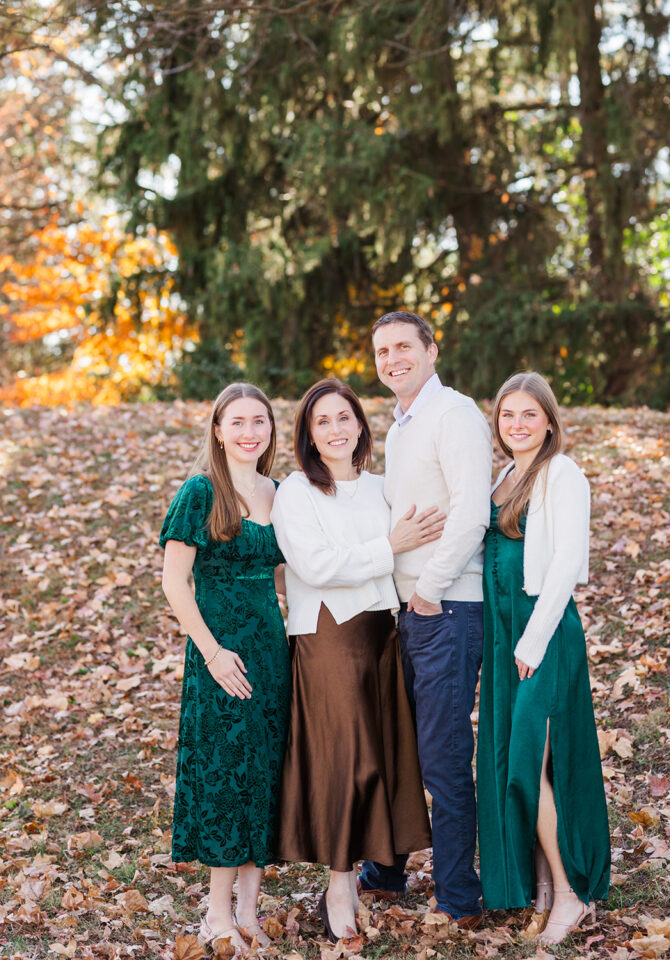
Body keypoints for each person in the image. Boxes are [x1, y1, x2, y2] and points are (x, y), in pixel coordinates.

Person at [270, 378, 439, 942]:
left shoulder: (380, 488)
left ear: (361, 427)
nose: (336, 429)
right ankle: (338, 884)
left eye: (345, 418)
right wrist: (388, 547)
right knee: (345, 760)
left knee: (380, 755)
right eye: (323, 422)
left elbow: (410, 547)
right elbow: (318, 566)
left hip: (382, 633)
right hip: (329, 635)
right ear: (309, 436)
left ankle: (378, 868)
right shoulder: (297, 492)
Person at [359, 312, 492, 929]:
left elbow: (472, 516)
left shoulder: (455, 413)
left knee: (440, 755)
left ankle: (459, 896)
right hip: (406, 611)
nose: (392, 359)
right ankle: (385, 872)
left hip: (447, 607)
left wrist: (432, 591)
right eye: (383, 351)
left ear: (431, 351)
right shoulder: (401, 426)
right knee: (399, 747)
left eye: (403, 347)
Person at [476, 372, 610, 944]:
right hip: (502, 634)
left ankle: (572, 893)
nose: (518, 424)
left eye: (529, 414)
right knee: (513, 761)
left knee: (531, 762)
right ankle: (544, 886)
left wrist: (531, 643)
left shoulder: (563, 473)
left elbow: (565, 566)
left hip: (543, 634)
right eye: (508, 415)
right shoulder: (504, 476)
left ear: (549, 420)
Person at [160, 382, 291, 956]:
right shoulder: (199, 492)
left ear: (270, 429)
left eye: (258, 422)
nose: (248, 433)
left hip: (269, 650)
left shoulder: (283, 493)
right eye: (236, 422)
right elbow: (173, 582)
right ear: (218, 429)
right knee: (225, 772)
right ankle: (214, 915)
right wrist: (212, 653)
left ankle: (247, 910)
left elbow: (288, 577)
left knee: (264, 771)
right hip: (219, 654)